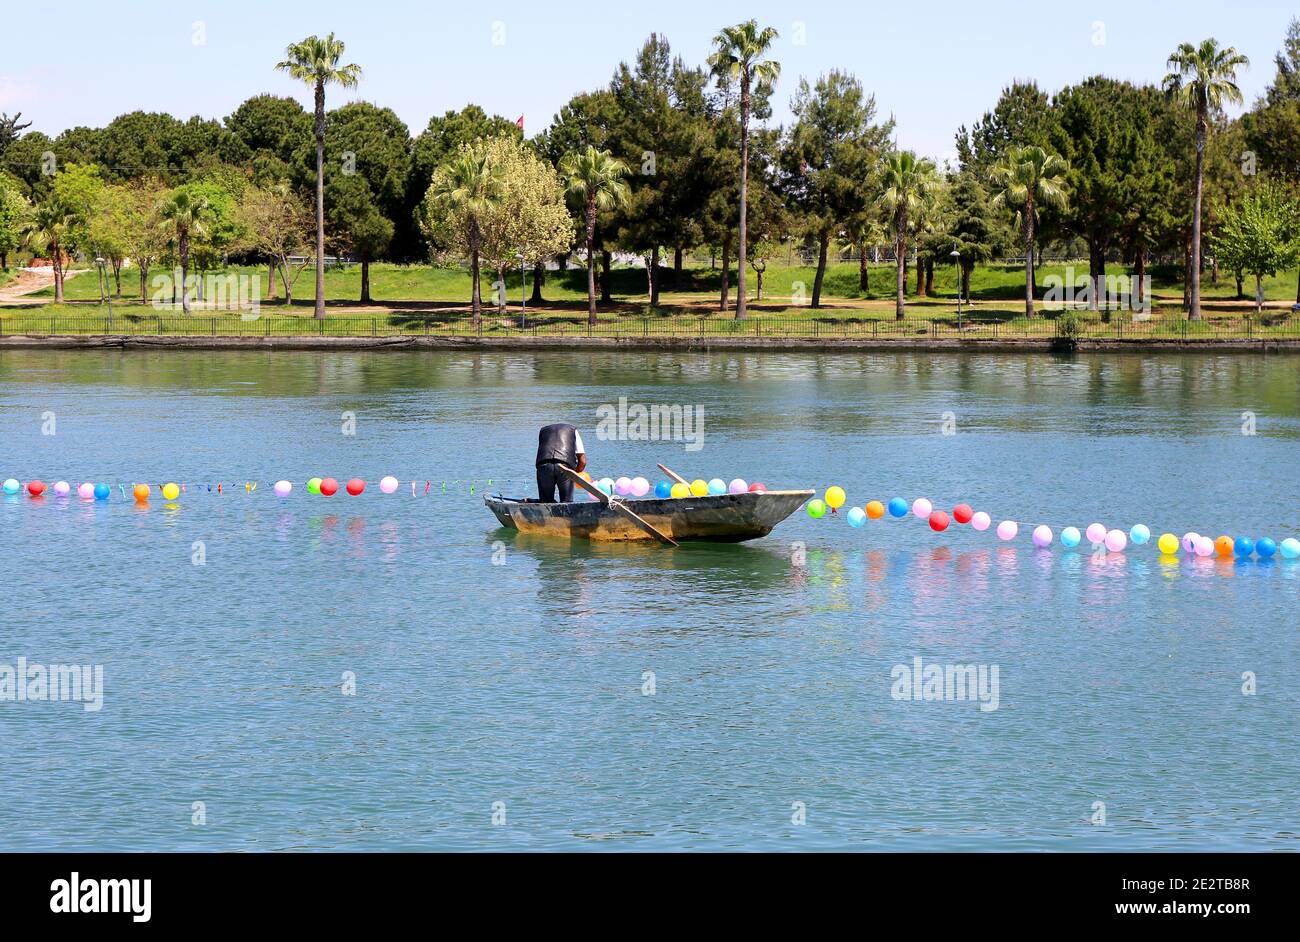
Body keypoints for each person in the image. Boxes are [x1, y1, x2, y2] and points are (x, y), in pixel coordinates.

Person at [535, 422, 587, 502]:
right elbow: (582, 461)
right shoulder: (573, 430)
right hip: (565, 467)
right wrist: (575, 474)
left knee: (545, 503)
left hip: (544, 466)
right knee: (566, 503)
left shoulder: (543, 431)